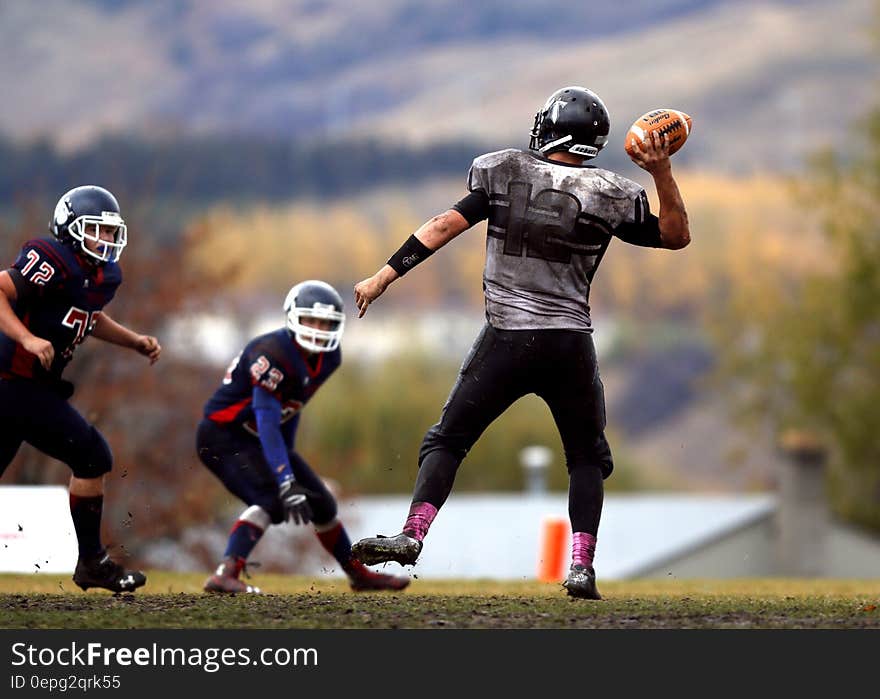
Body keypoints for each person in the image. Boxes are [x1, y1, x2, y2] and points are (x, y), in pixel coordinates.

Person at [351, 86, 691, 599]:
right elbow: (675, 235)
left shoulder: (504, 170)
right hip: (569, 345)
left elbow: (443, 225)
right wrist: (662, 172)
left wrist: (383, 276)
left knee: (447, 439)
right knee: (585, 457)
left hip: (508, 337)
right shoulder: (609, 190)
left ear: (551, 127)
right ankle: (580, 567)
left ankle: (412, 534)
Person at [197, 280, 410, 594]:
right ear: (293, 317)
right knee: (271, 501)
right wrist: (285, 478)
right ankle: (225, 574)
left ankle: (357, 575)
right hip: (223, 438)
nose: (318, 329)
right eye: (310, 320)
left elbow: (291, 408)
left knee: (323, 505)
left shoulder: (329, 358)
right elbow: (268, 419)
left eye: (325, 322)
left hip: (259, 438)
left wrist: (289, 462)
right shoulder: (270, 353)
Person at [0, 185, 161, 593]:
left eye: (111, 233)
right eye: (96, 230)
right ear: (69, 229)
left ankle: (93, 562)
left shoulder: (103, 275)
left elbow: (89, 316)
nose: (106, 240)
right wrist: (27, 339)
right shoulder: (53, 258)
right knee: (92, 454)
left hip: (27, 387)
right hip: (12, 381)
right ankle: (93, 562)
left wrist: (134, 340)